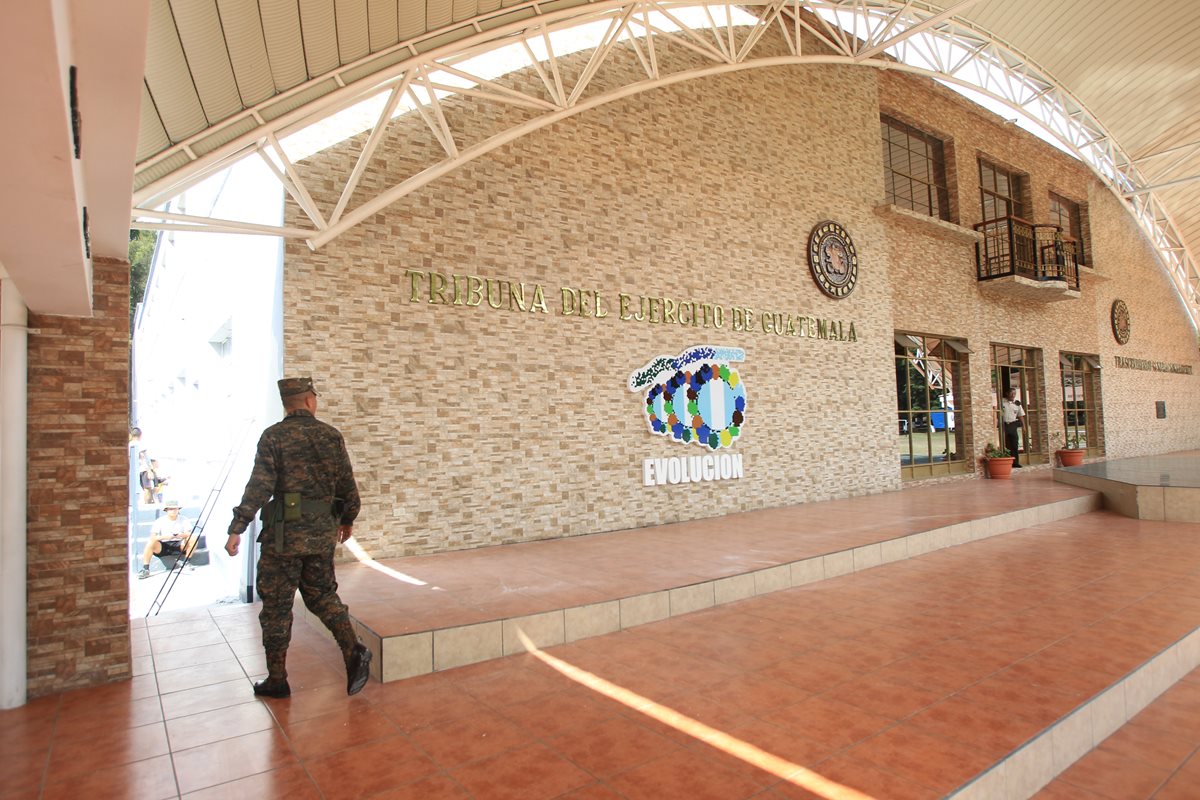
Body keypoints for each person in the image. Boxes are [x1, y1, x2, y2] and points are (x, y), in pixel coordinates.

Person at [224, 376, 371, 699]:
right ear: (308, 401)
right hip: (320, 535)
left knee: (276, 607)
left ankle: (277, 678)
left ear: (287, 404)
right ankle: (353, 649)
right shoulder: (331, 436)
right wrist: (347, 519)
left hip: (283, 539)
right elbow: (348, 487)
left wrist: (238, 526)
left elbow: (259, 486)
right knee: (322, 596)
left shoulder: (273, 437)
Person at [138, 500, 198, 578]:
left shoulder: (184, 519)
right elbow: (153, 536)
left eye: (175, 509)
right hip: (164, 545)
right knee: (151, 542)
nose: (173, 511)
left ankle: (186, 562)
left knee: (193, 538)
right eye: (171, 509)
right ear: (166, 510)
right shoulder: (159, 521)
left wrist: (179, 535)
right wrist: (165, 537)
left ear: (178, 509)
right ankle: (146, 569)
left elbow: (188, 533)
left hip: (179, 544)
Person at [1001, 387, 1026, 468]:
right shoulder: (1001, 402)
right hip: (1003, 425)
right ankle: (1004, 461)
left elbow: (1021, 415)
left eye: (1014, 393)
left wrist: (1024, 426)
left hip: (1013, 424)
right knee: (1003, 443)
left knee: (1014, 444)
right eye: (1011, 393)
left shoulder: (1017, 403)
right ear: (1007, 393)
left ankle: (1015, 462)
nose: (1013, 395)